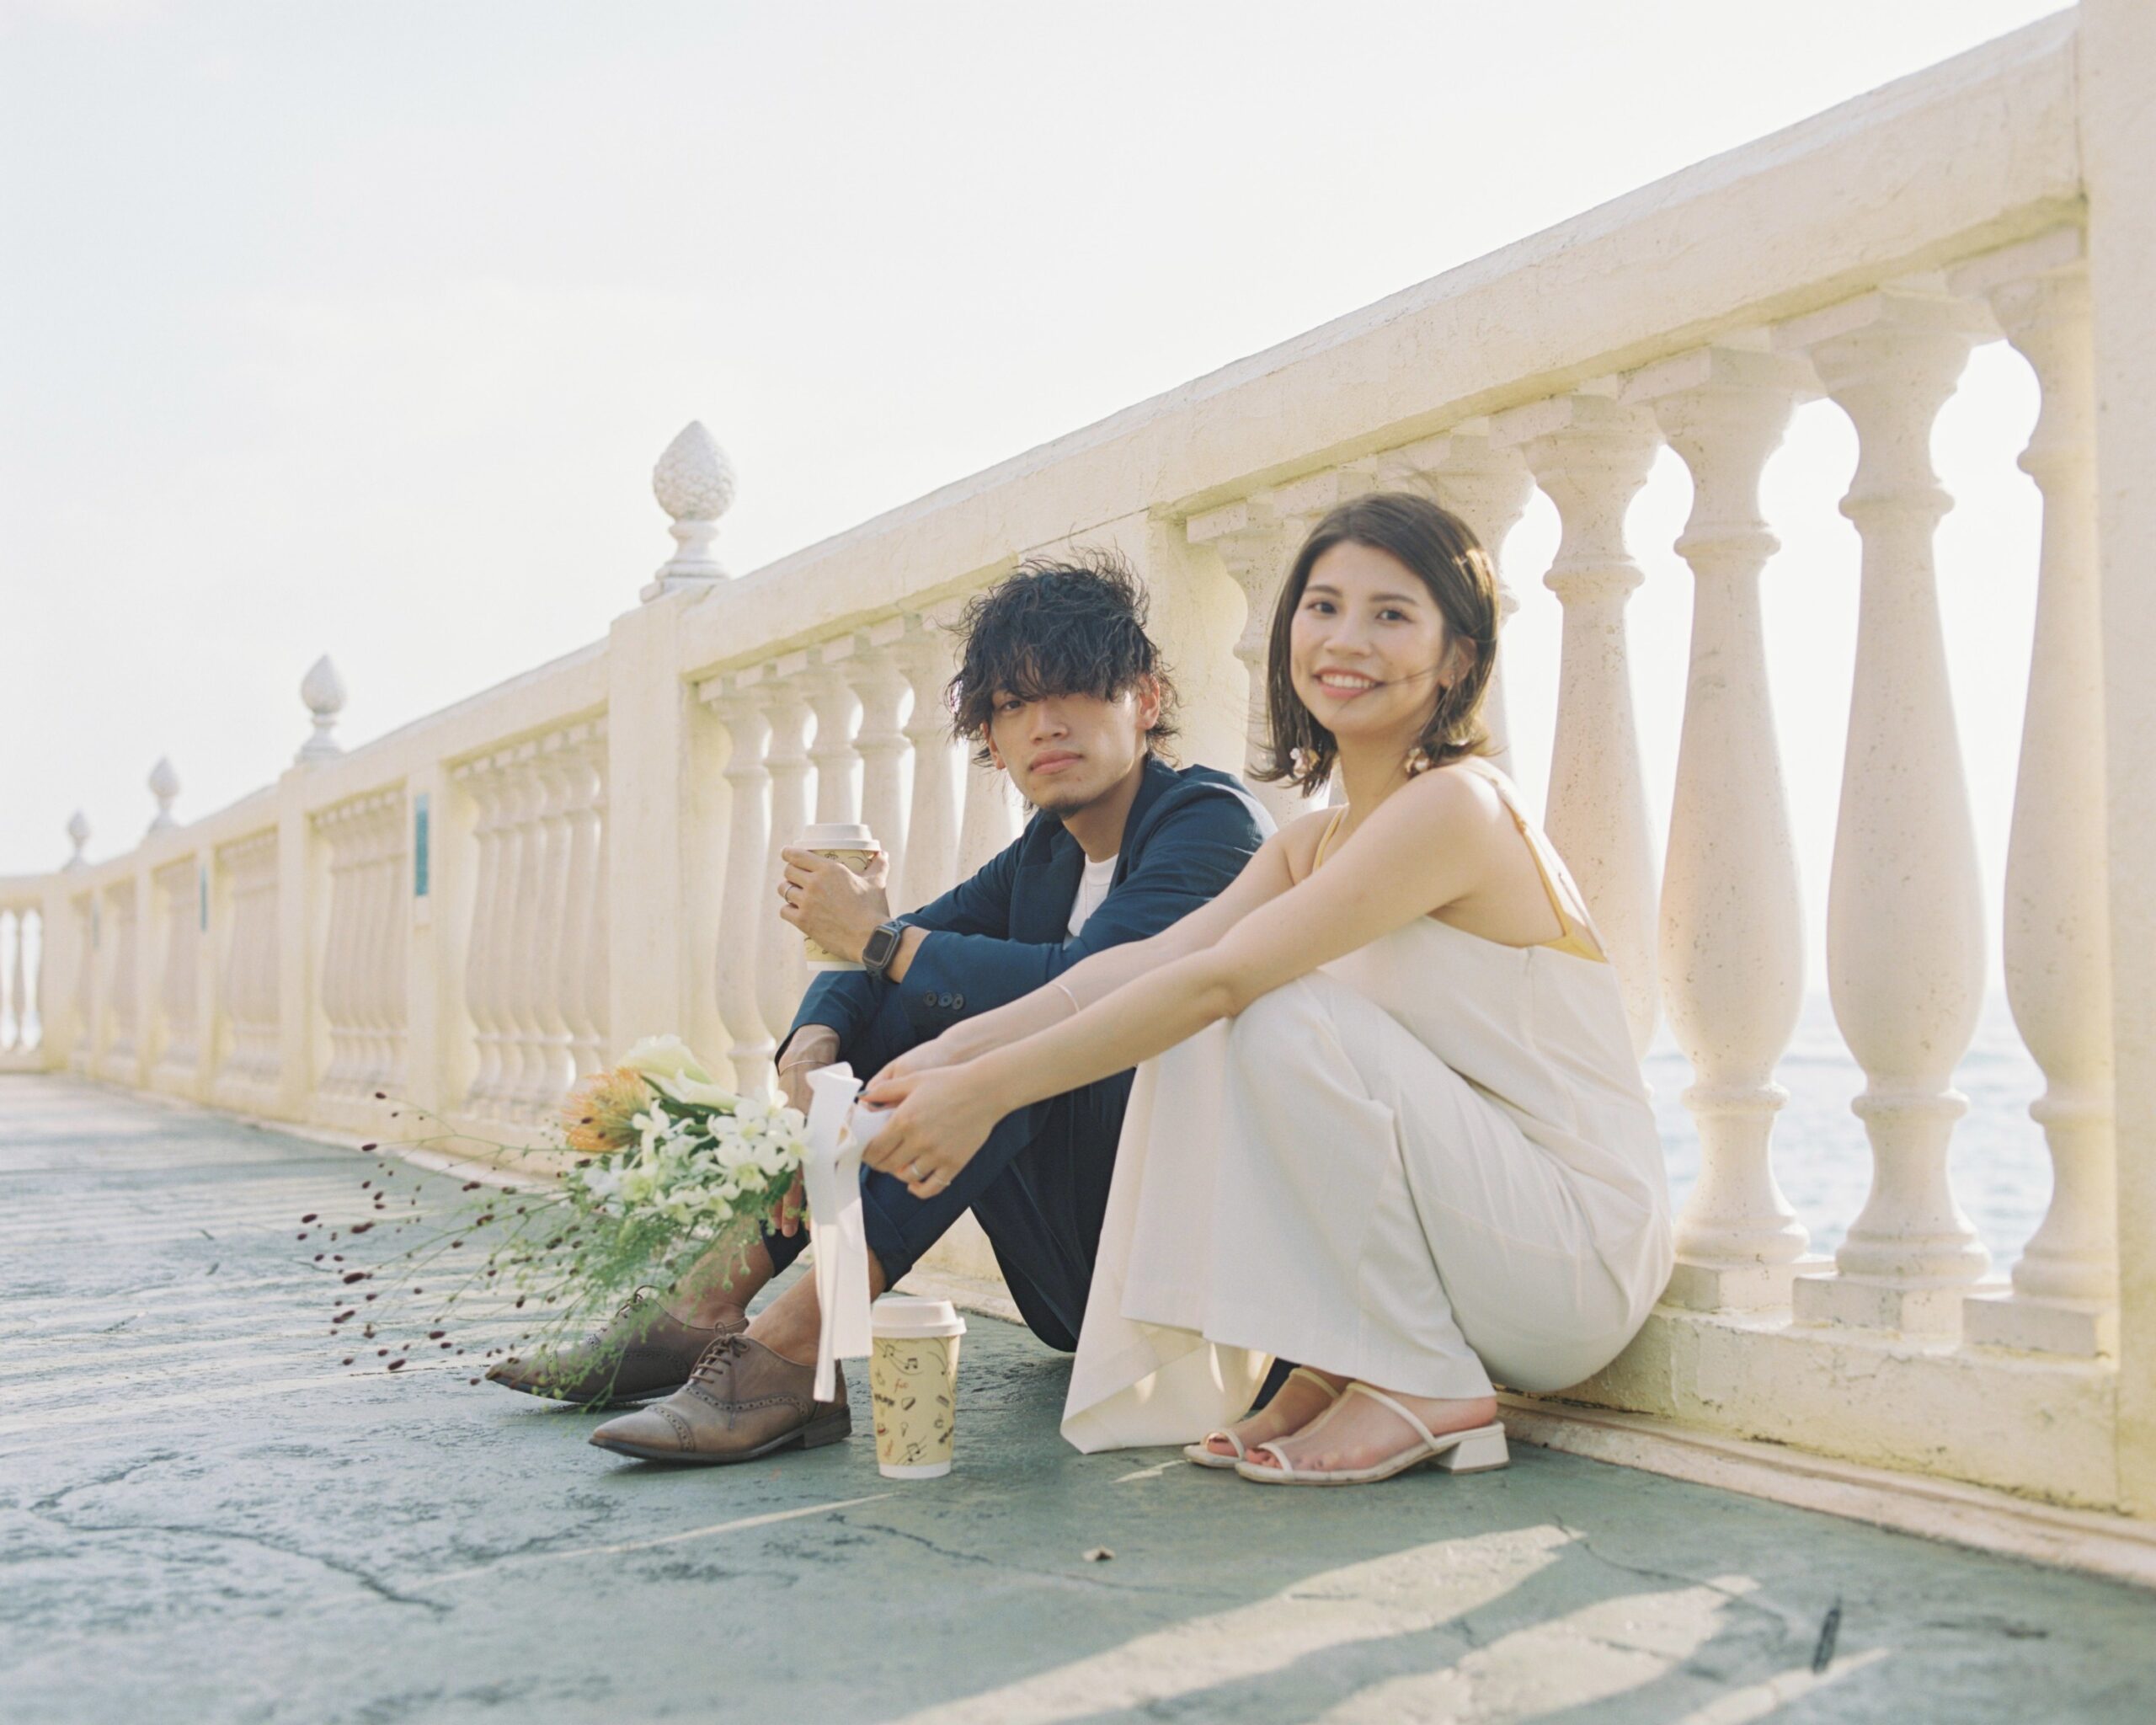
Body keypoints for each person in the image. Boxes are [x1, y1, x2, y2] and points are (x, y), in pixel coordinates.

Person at [857, 492, 1673, 1486]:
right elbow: (1138, 965)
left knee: (1267, 1009)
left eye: (1390, 613)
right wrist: (948, 1054)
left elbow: (1218, 979)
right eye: (1323, 606)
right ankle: (1345, 1354)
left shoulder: (1456, 807)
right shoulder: (1311, 841)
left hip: (1574, 1259)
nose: (1345, 638)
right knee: (1212, 1010)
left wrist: (987, 1092)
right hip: (1482, 1242)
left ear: (1457, 658)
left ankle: (1420, 1377)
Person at [488, 552, 1269, 1463]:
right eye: (1013, 704)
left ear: (1145, 698)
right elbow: (900, 946)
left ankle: (792, 1347)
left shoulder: (1209, 824)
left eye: (1075, 691)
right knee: (914, 1004)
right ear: (989, 735)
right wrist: (815, 1039)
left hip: (1191, 1280)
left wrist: (878, 941)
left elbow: (1092, 987)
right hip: (1076, 1277)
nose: (1044, 725)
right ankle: (704, 1303)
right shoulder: (1046, 854)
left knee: (1002, 1039)